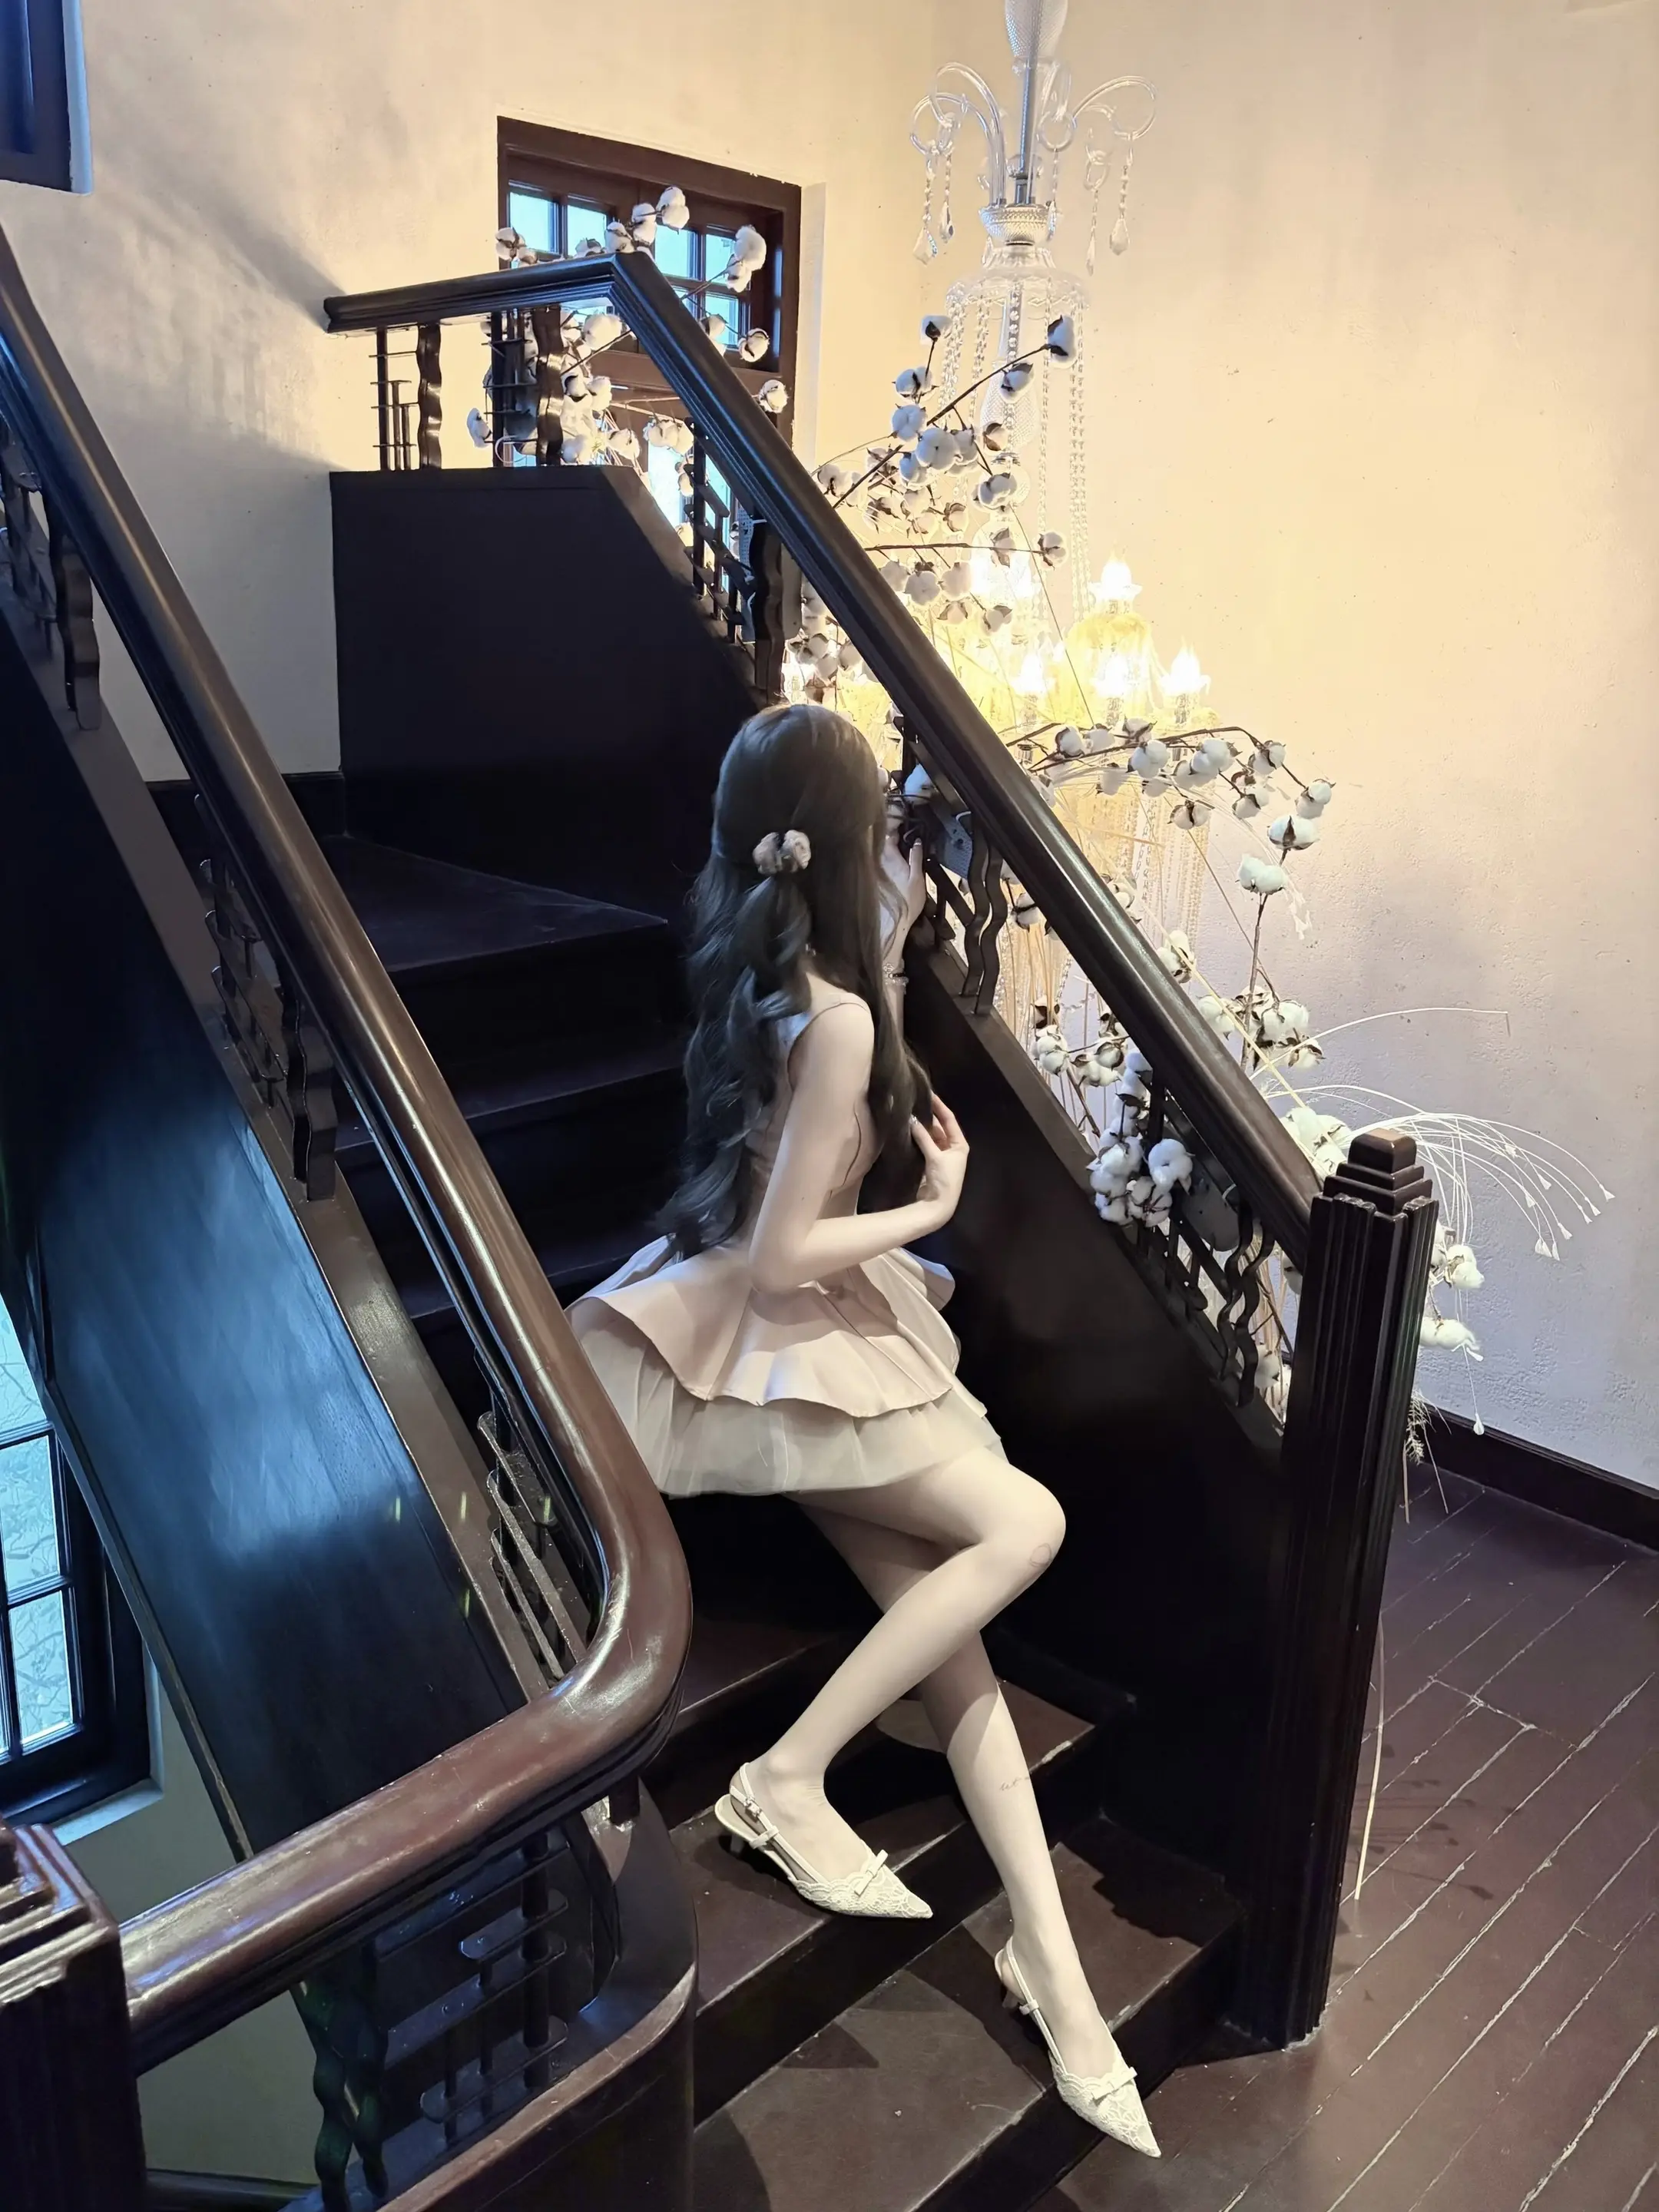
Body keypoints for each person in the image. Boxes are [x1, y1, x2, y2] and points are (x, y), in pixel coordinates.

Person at [570, 701, 1158, 2157]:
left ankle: (1052, 1968)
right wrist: (933, 1209)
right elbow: (786, 1257)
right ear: (845, 844)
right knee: (1025, 1523)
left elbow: (831, 1057)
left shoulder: (777, 967)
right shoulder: (833, 1019)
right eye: (883, 820)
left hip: (784, 1342)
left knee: (947, 1628)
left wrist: (893, 925)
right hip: (785, 1325)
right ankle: (784, 1778)